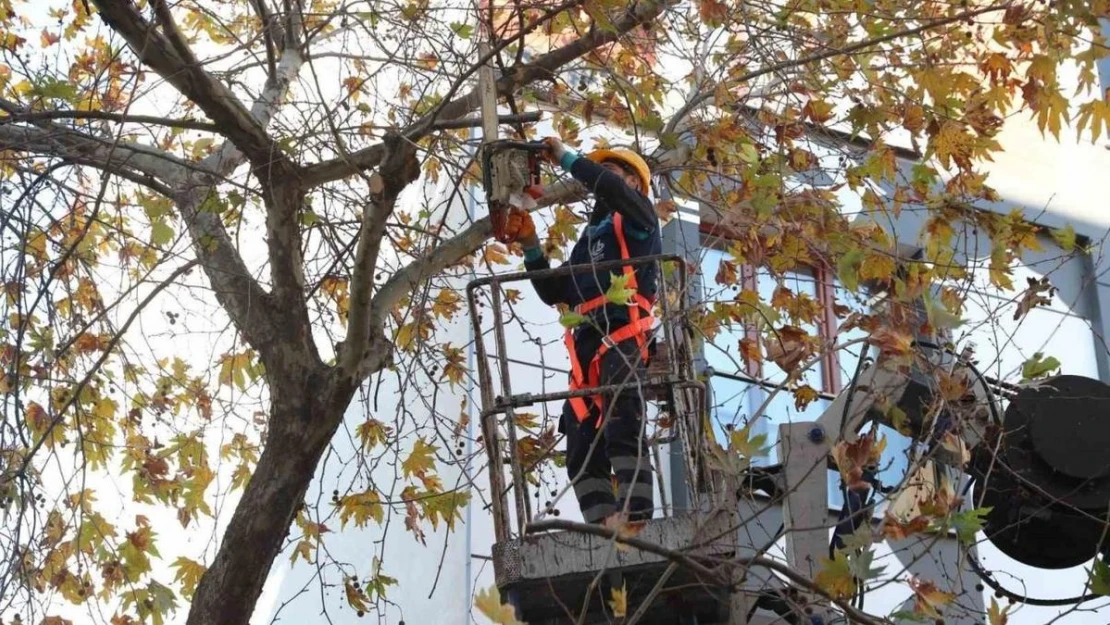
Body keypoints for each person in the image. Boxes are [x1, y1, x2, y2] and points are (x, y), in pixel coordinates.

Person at [503, 136, 661, 525]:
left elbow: (607, 186)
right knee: (580, 443)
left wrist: (565, 157)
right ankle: (602, 523)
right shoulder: (588, 243)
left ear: (634, 185)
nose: (598, 182)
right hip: (588, 348)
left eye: (611, 173)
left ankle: (636, 518)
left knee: (623, 419)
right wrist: (530, 245)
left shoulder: (639, 222)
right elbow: (555, 291)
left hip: (622, 335)